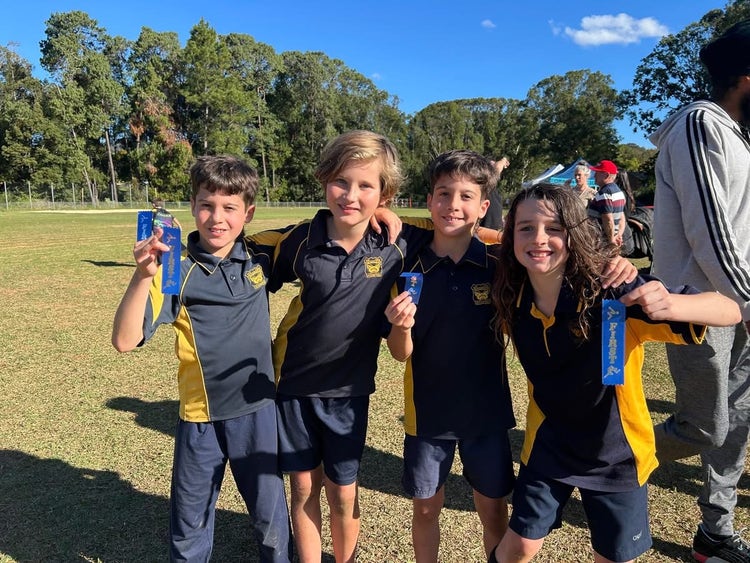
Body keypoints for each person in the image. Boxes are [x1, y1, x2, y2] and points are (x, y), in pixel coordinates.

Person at [487, 183, 741, 563]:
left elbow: (730, 309)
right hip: (548, 446)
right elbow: (465, 233)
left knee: (612, 557)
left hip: (616, 457)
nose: (539, 238)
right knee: (519, 546)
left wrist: (671, 303)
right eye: (526, 228)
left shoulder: (614, 292)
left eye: (554, 229)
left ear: (574, 234)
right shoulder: (511, 294)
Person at [112, 156, 292, 562]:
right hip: (200, 418)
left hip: (259, 413)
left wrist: (380, 210)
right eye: (207, 205)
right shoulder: (176, 268)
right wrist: (143, 275)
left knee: (270, 517)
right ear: (192, 206)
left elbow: (322, 230)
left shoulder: (261, 252)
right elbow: (124, 340)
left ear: (248, 212)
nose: (217, 218)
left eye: (230, 208)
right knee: (190, 521)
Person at [268, 130, 432, 563]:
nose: (351, 195)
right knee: (303, 486)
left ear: (385, 193)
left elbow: (466, 230)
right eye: (341, 181)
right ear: (325, 180)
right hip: (294, 387)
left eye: (366, 186)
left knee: (343, 491)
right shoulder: (301, 239)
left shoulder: (399, 243)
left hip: (349, 393)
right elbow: (239, 251)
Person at [648, 19, 750, 562]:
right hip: (697, 308)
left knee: (736, 424)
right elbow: (709, 231)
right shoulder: (698, 124)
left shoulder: (739, 136)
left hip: (740, 306)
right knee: (702, 426)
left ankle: (715, 528)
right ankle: (601, 455)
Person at [384, 149, 516, 562]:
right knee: (425, 507)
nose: (452, 206)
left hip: (487, 413)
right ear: (429, 200)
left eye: (465, 197)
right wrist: (400, 327)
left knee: (493, 511)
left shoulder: (499, 265)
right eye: (443, 194)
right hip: (429, 415)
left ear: (483, 207)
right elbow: (398, 353)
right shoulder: (409, 265)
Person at [587, 159, 628, 252]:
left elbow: (608, 219)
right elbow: (622, 218)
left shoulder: (604, 193)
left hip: (600, 241)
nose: (594, 175)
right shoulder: (619, 192)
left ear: (606, 175)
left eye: (597, 172)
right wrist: (618, 235)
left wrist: (611, 241)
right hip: (611, 238)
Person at [479, 155, 510, 235]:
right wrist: (503, 160)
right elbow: (496, 169)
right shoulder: (485, 182)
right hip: (484, 231)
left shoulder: (493, 187)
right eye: (491, 165)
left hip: (495, 230)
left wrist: (501, 218)